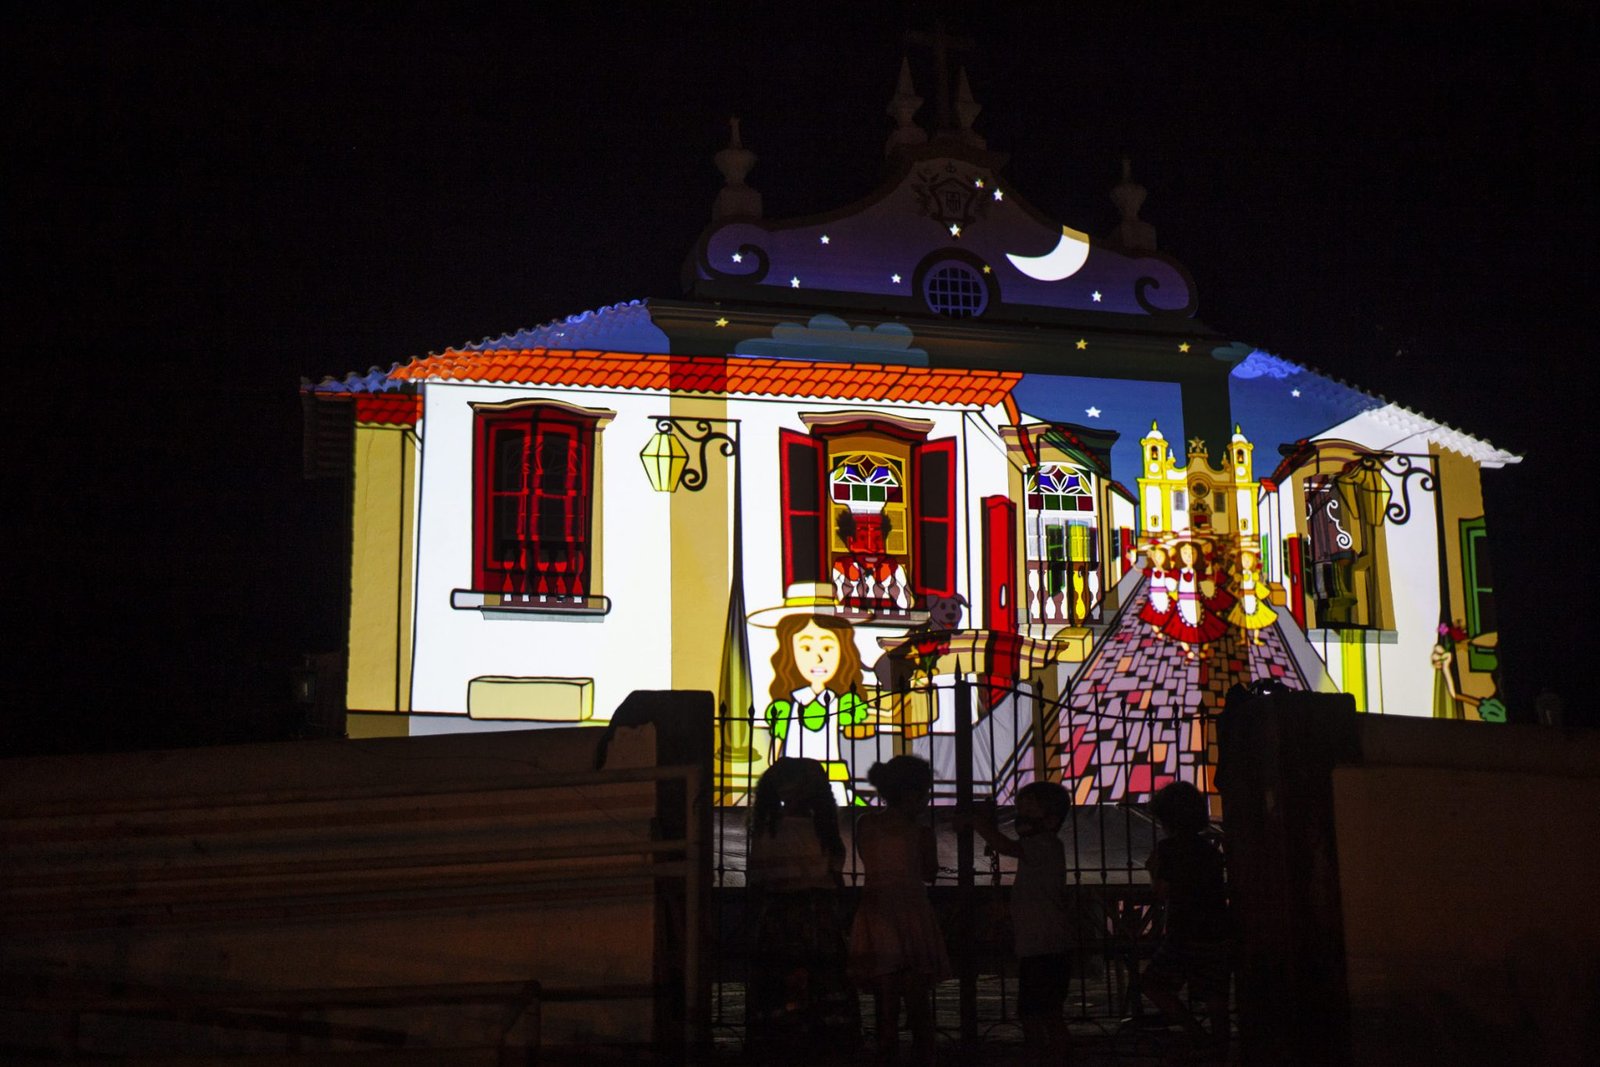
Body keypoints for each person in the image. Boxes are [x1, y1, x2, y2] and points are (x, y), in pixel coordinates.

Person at [745, 758, 859, 1061]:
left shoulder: (767, 829)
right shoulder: (824, 831)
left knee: (782, 991)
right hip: (818, 918)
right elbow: (835, 879)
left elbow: (757, 880)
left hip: (779, 918)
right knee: (822, 988)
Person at [849, 756, 950, 1065]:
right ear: (912, 795)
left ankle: (886, 1046)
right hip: (911, 909)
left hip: (876, 908)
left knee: (885, 989)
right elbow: (928, 872)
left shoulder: (865, 823)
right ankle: (923, 1050)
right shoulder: (920, 833)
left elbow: (869, 858)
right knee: (916, 991)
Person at [969, 781, 1074, 1064]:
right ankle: (1050, 1052)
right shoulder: (1041, 845)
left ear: (1050, 819)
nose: (1022, 816)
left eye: (1029, 809)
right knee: (1041, 1008)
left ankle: (1046, 1053)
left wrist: (977, 823)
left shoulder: (1045, 844)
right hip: (1040, 944)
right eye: (1020, 809)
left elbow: (1004, 846)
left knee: (1038, 1010)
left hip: (1045, 945)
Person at [1141, 780, 1231, 1059]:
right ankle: (1220, 1047)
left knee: (1153, 983)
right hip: (1216, 927)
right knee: (1216, 996)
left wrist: (1153, 871)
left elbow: (1161, 891)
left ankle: (1195, 1033)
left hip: (1184, 930)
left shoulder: (1168, 849)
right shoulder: (1209, 849)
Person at [763, 610, 874, 804]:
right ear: (790, 652)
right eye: (806, 648)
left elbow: (869, 715)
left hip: (832, 780)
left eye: (827, 648)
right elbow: (774, 753)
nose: (818, 658)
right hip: (793, 784)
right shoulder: (785, 707)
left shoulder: (840, 702)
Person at [1161, 541, 1230, 659]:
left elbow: (1209, 580)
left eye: (1192, 552)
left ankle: (1204, 649)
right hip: (1183, 604)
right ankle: (1188, 651)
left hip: (1197, 603)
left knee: (1206, 627)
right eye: (1185, 553)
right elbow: (1169, 580)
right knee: (1180, 628)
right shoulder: (1177, 572)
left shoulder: (1198, 572)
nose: (1189, 556)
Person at [1225, 548, 1279, 646]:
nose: (1245, 562)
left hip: (1253, 599)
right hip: (1242, 600)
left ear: (1253, 561)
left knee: (1256, 622)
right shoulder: (1239, 575)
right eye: (1243, 559)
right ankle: (1243, 639)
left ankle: (1255, 639)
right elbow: (1233, 585)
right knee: (1242, 623)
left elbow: (1258, 585)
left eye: (1248, 560)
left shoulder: (1254, 575)